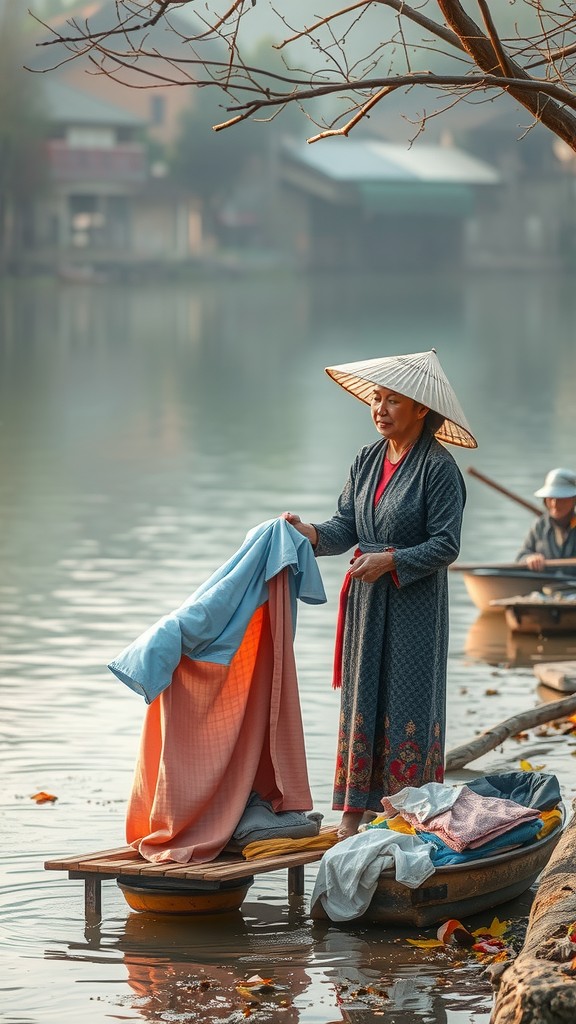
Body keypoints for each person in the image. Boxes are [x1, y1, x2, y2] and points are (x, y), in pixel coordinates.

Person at [283, 349, 476, 838]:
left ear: (420, 410)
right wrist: (310, 533)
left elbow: (446, 545)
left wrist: (392, 561)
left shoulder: (439, 468)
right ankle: (352, 813)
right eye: (377, 399)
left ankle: (406, 814)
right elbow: (346, 525)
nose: (381, 409)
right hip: (367, 604)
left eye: (393, 401)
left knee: (408, 702)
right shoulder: (367, 459)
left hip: (414, 606)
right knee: (362, 699)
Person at [516, 467, 576, 573]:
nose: (555, 504)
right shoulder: (540, 525)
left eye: (561, 499)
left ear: (574, 499)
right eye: (551, 498)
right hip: (544, 585)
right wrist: (529, 559)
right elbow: (521, 556)